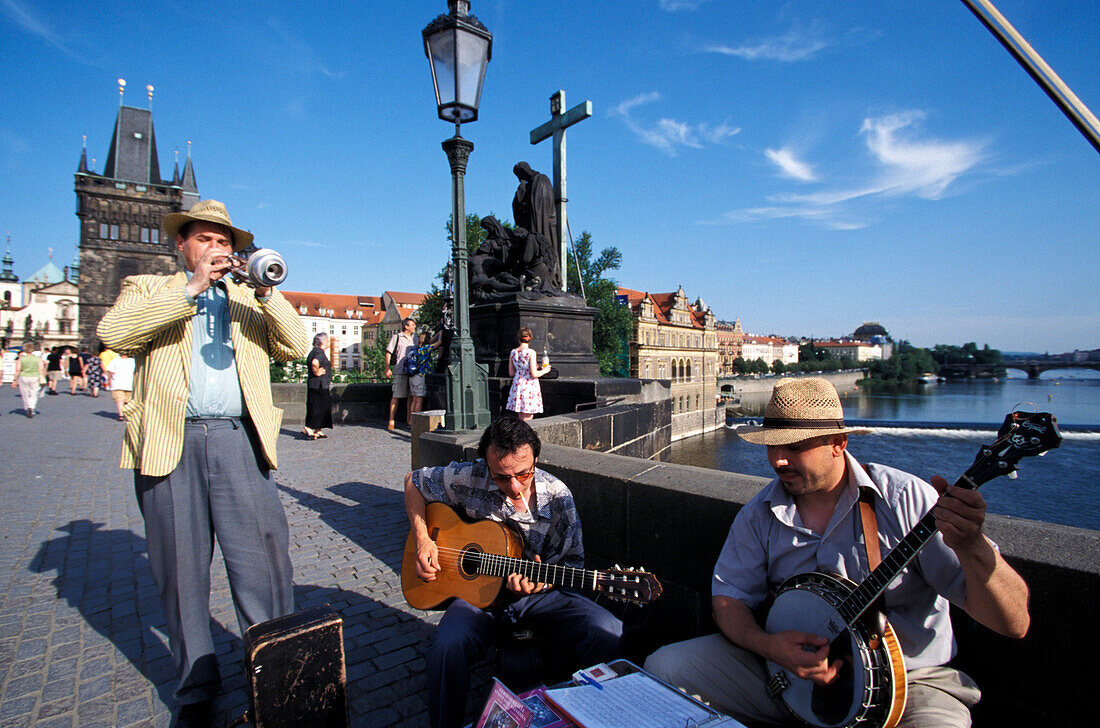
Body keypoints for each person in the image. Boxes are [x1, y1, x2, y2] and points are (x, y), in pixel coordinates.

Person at [644, 377, 1030, 728]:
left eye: (794, 448)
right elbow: (728, 600)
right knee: (665, 667)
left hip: (909, 684)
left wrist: (972, 547)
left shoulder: (906, 500)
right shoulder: (759, 514)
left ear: (838, 444)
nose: (778, 461)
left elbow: (1014, 623)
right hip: (786, 673)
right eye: (772, 446)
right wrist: (771, 647)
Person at [97, 199, 309, 727]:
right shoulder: (150, 288)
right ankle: (195, 688)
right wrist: (189, 289)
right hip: (170, 443)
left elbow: (298, 347)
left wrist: (266, 291)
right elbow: (115, 335)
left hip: (240, 440)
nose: (218, 250)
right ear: (182, 245)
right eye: (206, 240)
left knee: (264, 564)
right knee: (180, 571)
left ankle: (276, 678)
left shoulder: (249, 295)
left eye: (225, 242)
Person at [404, 418, 623, 728]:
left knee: (607, 629)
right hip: (477, 598)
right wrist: (423, 538)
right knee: (446, 646)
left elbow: (573, 568)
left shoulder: (559, 498)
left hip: (539, 597)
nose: (515, 486)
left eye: (524, 473)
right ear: (486, 464)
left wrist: (542, 582)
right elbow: (413, 482)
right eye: (502, 477)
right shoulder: (469, 476)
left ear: (535, 458)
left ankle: (585, 716)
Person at [505, 327, 549, 421]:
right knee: (528, 417)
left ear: (518, 338)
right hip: (529, 385)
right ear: (530, 338)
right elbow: (534, 374)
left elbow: (511, 373)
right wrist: (545, 370)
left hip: (517, 384)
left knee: (520, 417)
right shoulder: (531, 352)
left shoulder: (513, 352)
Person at [384, 317, 418, 431]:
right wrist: (387, 368)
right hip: (400, 370)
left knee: (410, 396)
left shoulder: (415, 339)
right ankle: (391, 419)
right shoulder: (397, 337)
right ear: (406, 326)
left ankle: (409, 420)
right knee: (396, 396)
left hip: (412, 370)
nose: (414, 327)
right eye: (412, 325)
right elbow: (388, 352)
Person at [303, 332, 333, 440]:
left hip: (314, 384)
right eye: (327, 340)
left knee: (315, 406)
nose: (328, 342)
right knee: (320, 407)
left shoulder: (313, 351)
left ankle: (318, 430)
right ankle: (309, 428)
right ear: (323, 342)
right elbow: (315, 363)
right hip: (320, 385)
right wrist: (317, 372)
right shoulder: (319, 352)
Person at [12, 341, 45, 417]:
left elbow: (18, 369)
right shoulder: (37, 358)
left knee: (25, 393)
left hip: (23, 376)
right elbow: (41, 369)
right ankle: (31, 407)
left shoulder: (21, 358)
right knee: (34, 393)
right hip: (35, 376)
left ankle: (27, 407)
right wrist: (42, 376)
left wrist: (14, 380)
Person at [105, 352, 135, 421]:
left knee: (119, 400)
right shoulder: (133, 361)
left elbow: (111, 371)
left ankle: (121, 415)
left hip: (117, 383)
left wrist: (109, 380)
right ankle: (128, 414)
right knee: (129, 400)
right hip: (130, 383)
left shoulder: (115, 360)